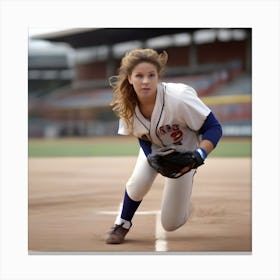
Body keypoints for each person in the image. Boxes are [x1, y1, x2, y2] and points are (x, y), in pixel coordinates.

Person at [105, 48, 223, 244]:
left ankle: (184, 205)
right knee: (138, 182)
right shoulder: (127, 105)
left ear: (158, 76)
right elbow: (142, 135)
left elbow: (214, 127)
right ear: (129, 78)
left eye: (151, 75)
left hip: (187, 154)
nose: (145, 81)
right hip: (154, 147)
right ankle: (122, 223)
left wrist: (198, 155)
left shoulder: (178, 98)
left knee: (171, 223)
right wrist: (152, 158)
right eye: (139, 76)